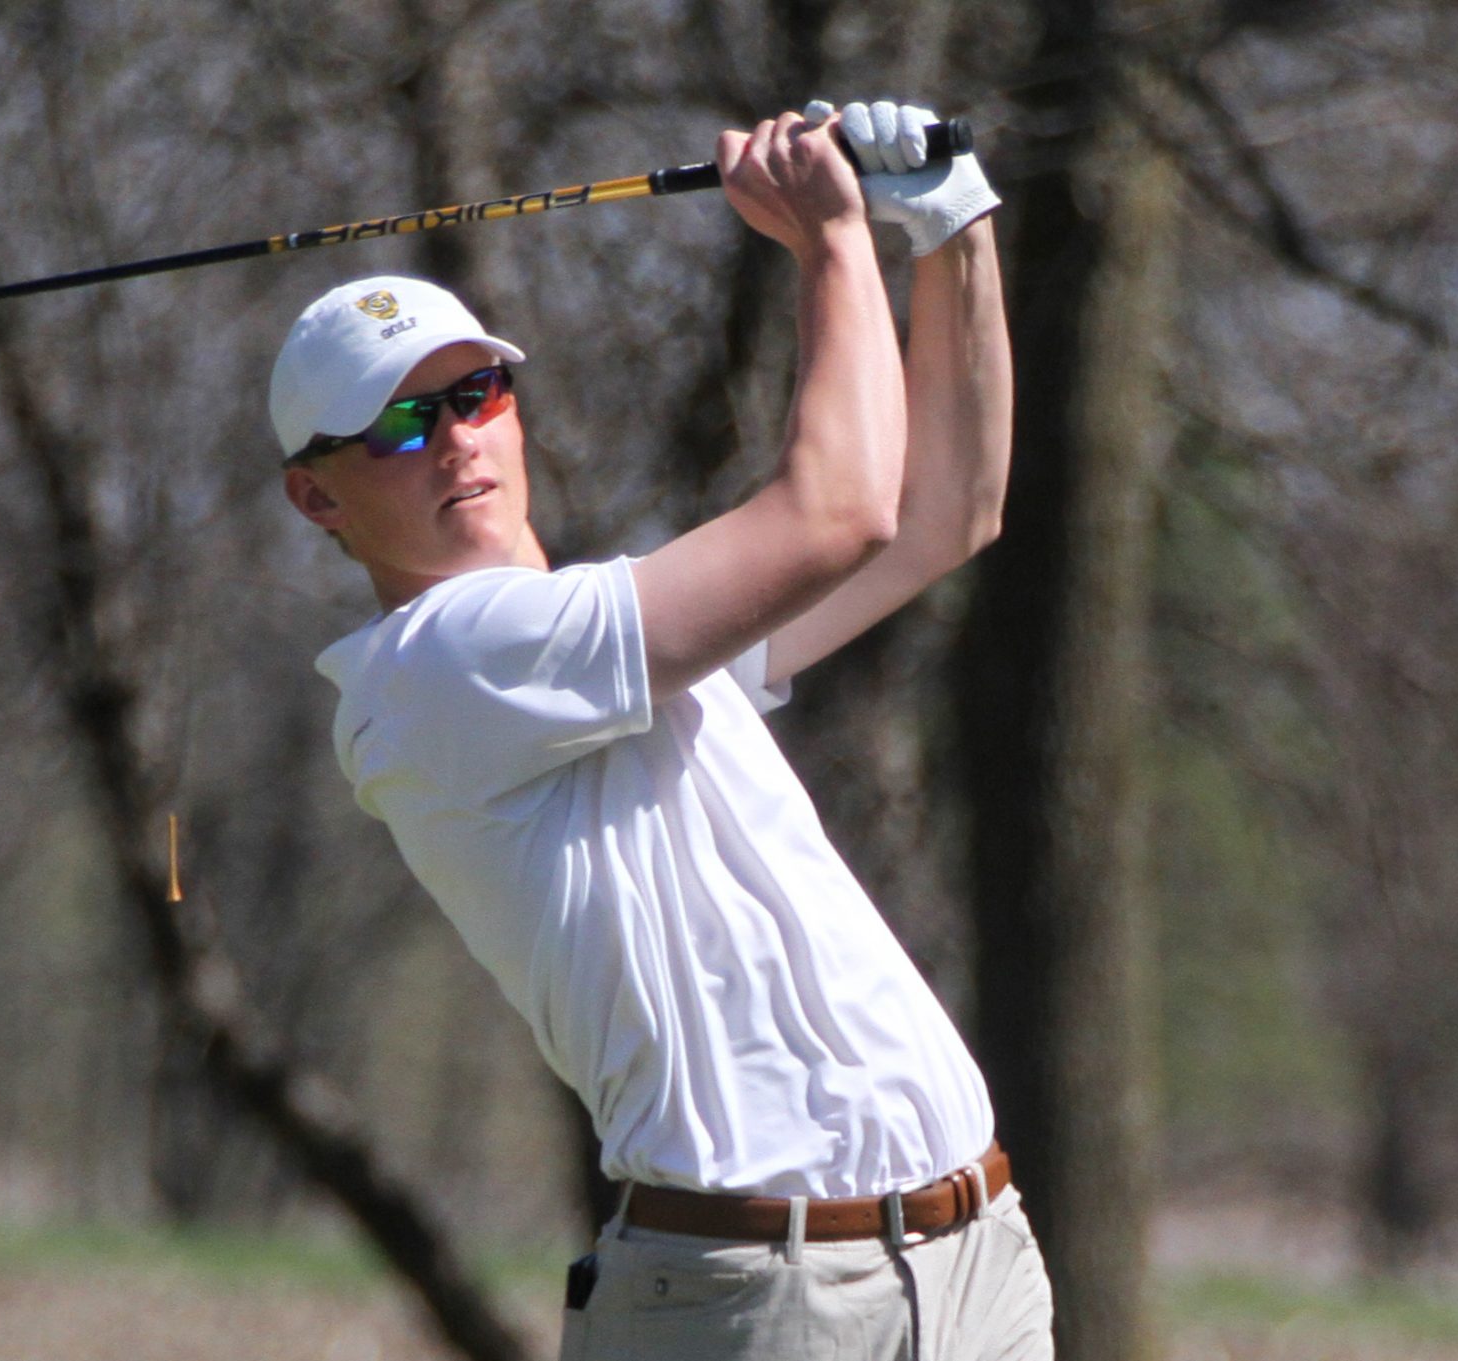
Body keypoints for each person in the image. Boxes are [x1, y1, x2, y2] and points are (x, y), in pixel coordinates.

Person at [270, 99, 1046, 1359]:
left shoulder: (619, 641)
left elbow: (943, 512)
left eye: (477, 393)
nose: (457, 440)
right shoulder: (434, 670)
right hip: (755, 1296)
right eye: (401, 426)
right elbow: (837, 512)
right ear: (319, 498)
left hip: (973, 1259)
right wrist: (831, 241)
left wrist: (953, 227)